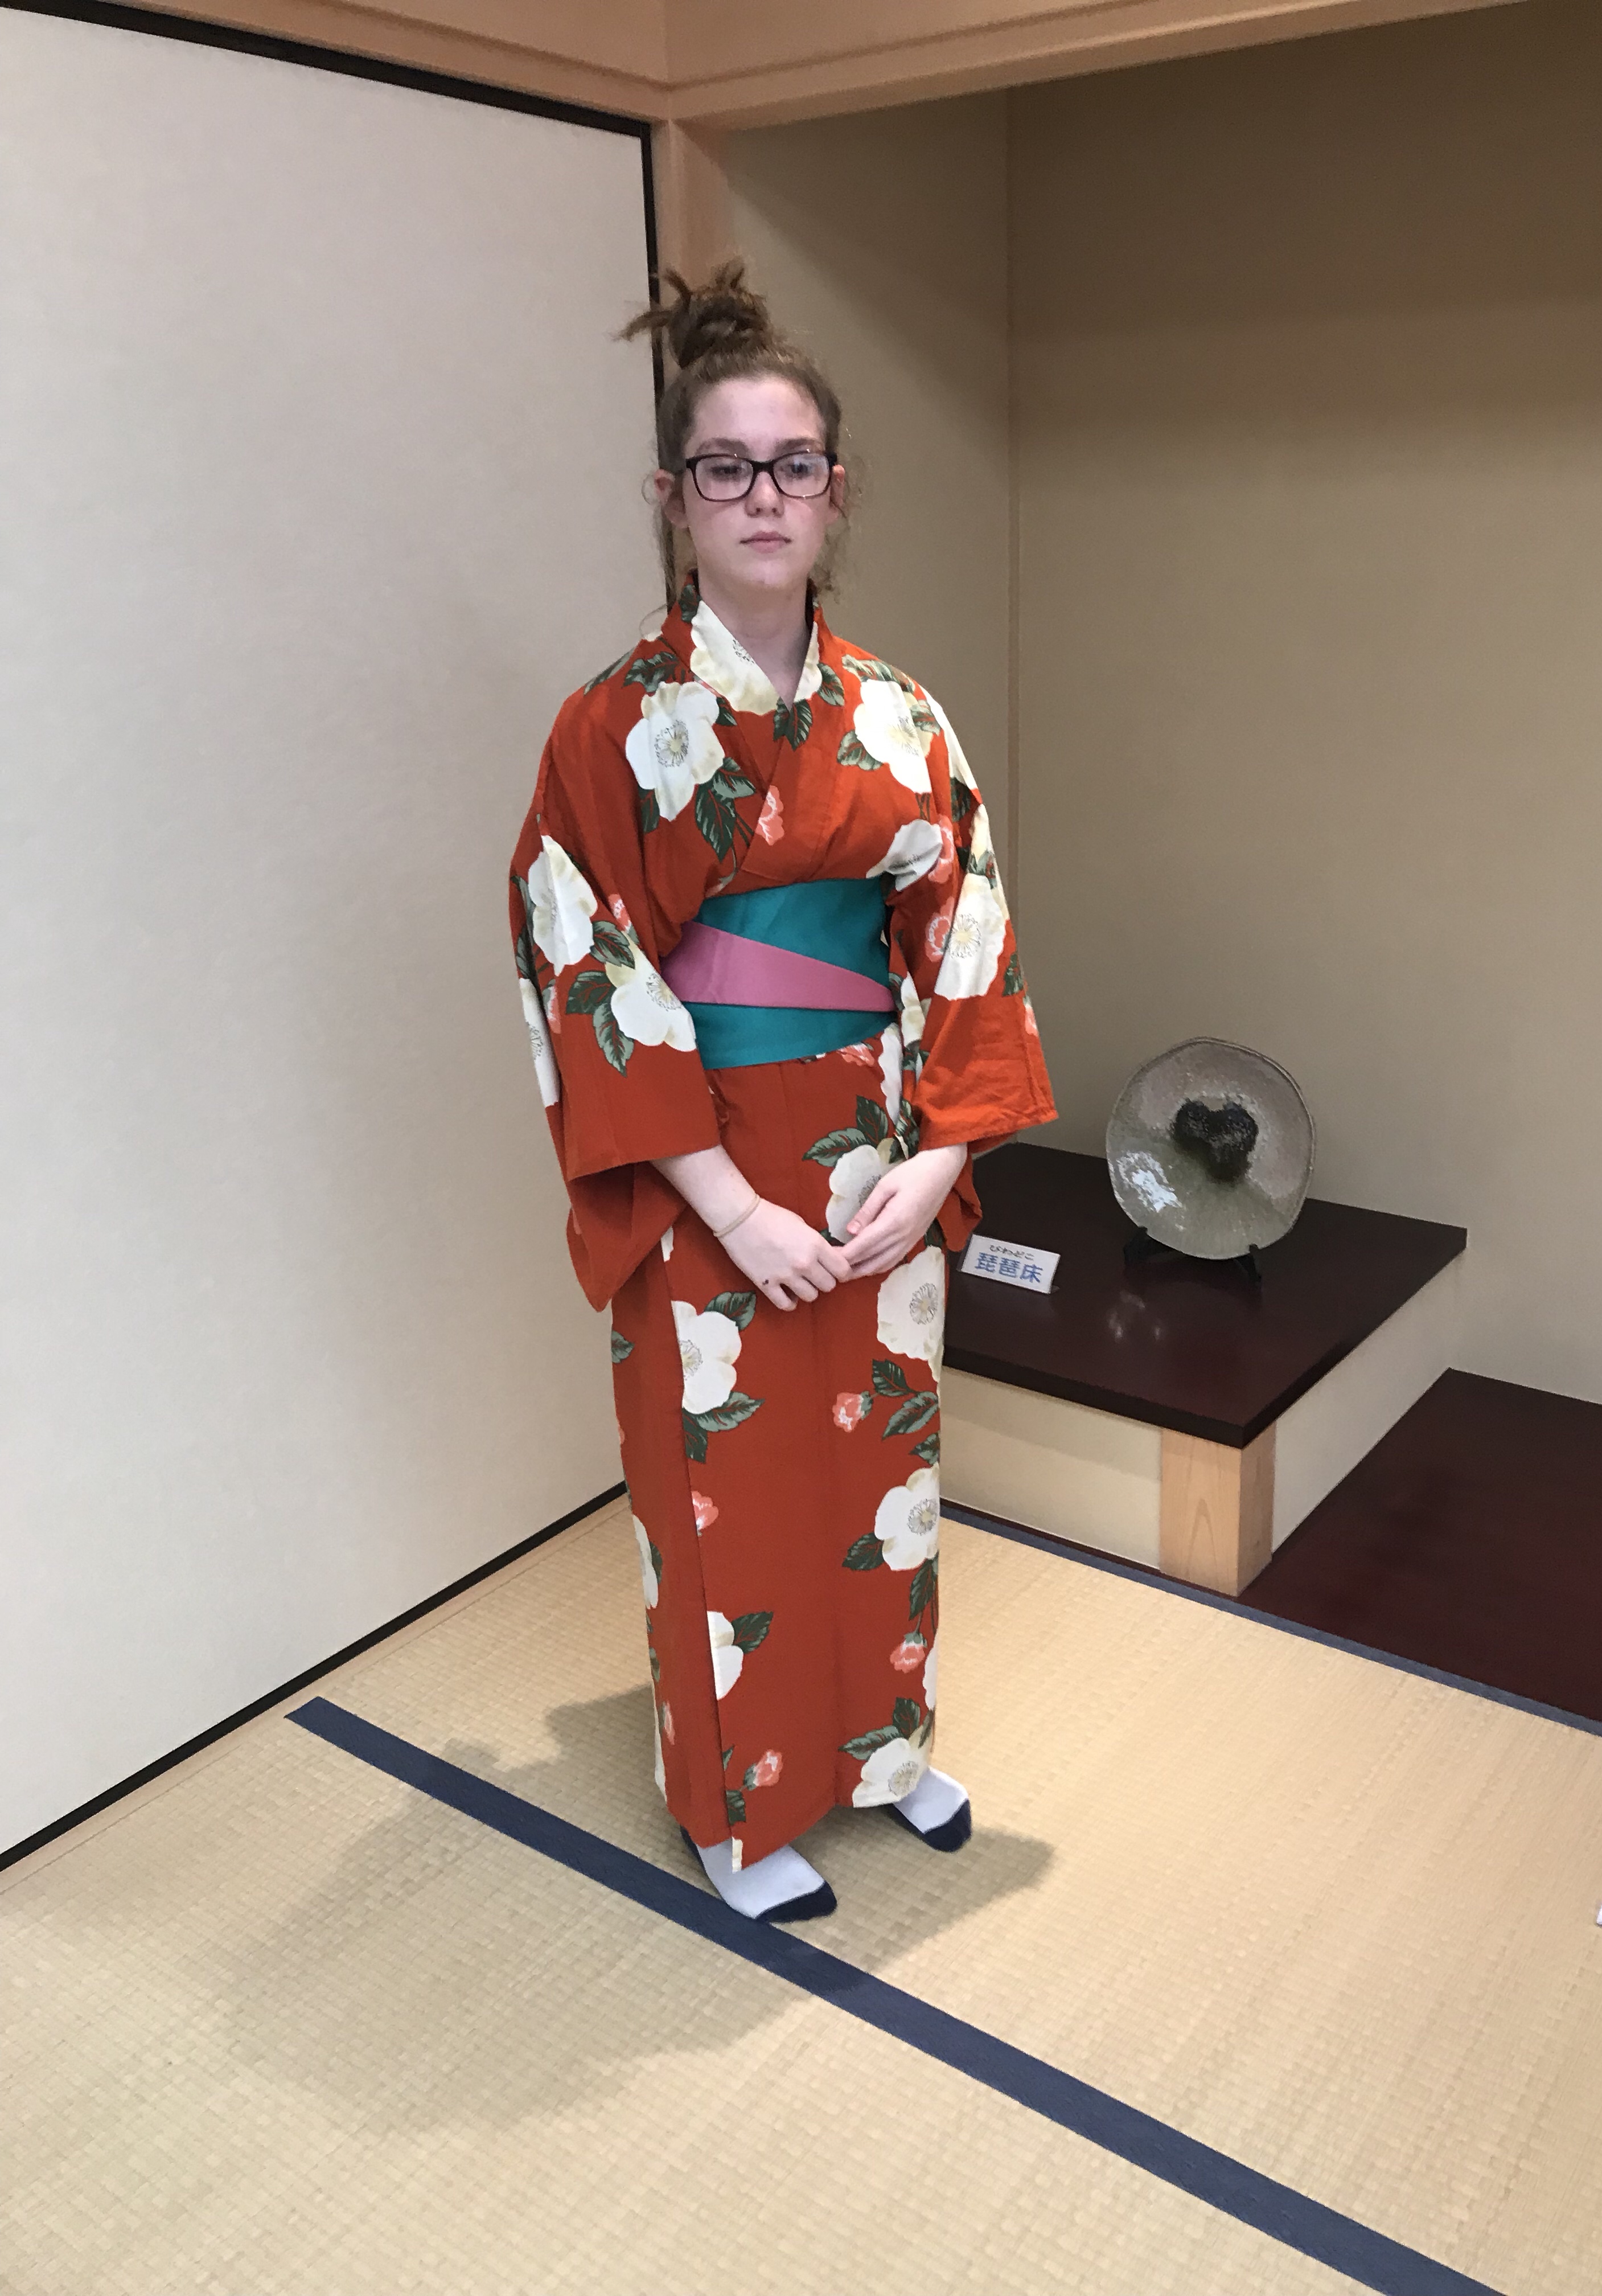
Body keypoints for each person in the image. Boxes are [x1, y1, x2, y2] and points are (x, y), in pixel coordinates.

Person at [508, 264, 1055, 1922]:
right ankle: (738, 1811)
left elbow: (965, 929)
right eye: (726, 466)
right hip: (706, 1165)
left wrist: (940, 1152)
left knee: (882, 1471)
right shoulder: (613, 725)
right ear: (673, 500)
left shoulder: (899, 715)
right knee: (724, 1489)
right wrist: (729, 1205)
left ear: (837, 492)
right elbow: (582, 964)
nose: (764, 494)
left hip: (874, 1155)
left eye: (794, 464)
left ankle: (881, 1752)